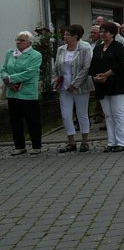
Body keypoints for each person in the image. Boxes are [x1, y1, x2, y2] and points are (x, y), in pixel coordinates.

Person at [52, 24, 94, 153]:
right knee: (66, 114)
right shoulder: (61, 49)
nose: (64, 37)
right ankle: (71, 141)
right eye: (64, 35)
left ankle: (84, 141)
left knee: (82, 114)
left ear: (75, 37)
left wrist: (75, 84)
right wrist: (55, 80)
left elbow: (86, 68)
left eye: (67, 35)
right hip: (64, 87)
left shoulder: (84, 49)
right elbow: (56, 68)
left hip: (80, 87)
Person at [2, 31, 43, 155]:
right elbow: (3, 69)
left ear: (30, 43)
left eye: (22, 40)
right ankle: (19, 146)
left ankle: (36, 145)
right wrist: (7, 80)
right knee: (15, 120)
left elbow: (29, 72)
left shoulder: (35, 55)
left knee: (32, 120)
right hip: (12, 92)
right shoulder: (10, 53)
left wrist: (11, 78)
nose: (18, 42)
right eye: (17, 40)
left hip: (27, 92)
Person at [89, 21, 124, 152]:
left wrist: (107, 74)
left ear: (112, 33)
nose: (102, 34)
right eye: (101, 31)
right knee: (108, 115)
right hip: (101, 85)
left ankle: (121, 142)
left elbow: (121, 64)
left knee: (118, 113)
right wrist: (96, 77)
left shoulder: (118, 46)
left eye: (105, 32)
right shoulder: (98, 48)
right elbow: (93, 65)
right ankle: (111, 142)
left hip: (115, 83)